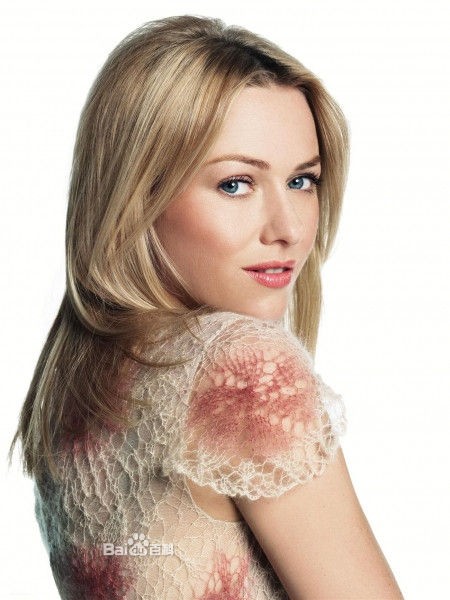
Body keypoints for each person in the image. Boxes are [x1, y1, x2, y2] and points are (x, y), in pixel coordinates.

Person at [8, 14, 404, 600]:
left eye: (302, 181)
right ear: (138, 193)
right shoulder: (243, 370)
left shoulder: (73, 373)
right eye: (235, 184)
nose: (289, 229)